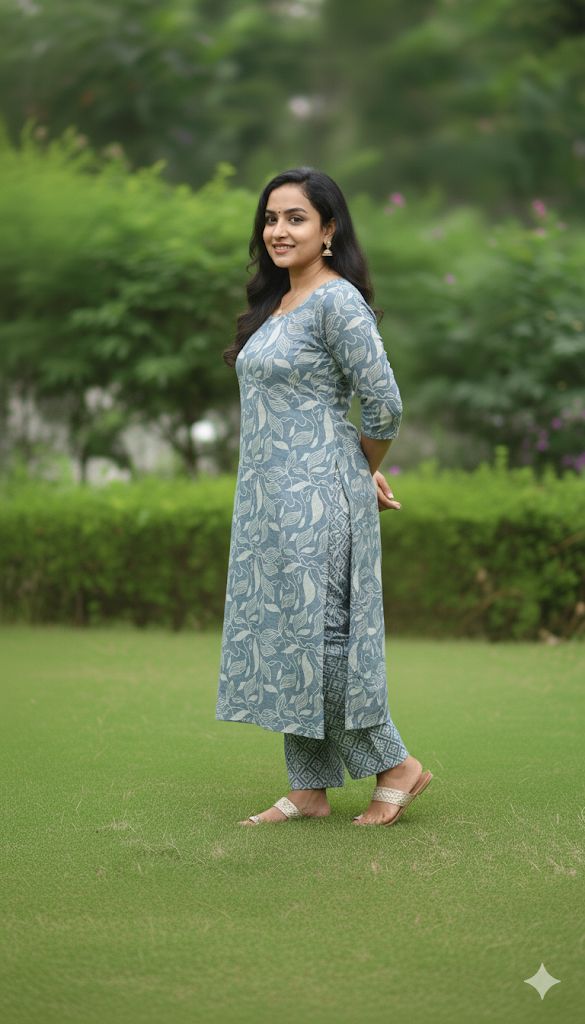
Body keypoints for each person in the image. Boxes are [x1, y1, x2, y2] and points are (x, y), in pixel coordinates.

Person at [216, 167, 432, 826]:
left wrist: (357, 468)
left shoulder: (336, 302)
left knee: (324, 640)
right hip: (267, 501)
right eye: (271, 218)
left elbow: (385, 404)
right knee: (290, 636)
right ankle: (309, 787)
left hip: (315, 499)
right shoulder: (278, 304)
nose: (278, 230)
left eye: (296, 218)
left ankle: (395, 765)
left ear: (329, 229)